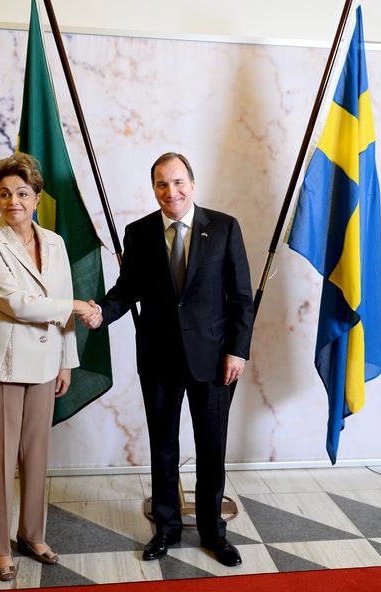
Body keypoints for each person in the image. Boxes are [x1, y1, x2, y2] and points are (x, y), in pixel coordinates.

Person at [79, 152, 254, 566]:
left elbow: (241, 298)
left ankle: (213, 532)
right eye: (161, 183)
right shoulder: (138, 232)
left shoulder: (225, 228)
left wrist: (237, 351)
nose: (170, 192)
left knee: (212, 448)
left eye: (177, 182)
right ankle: (166, 529)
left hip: (214, 361)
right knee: (163, 448)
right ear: (153, 188)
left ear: (192, 184)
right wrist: (101, 311)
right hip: (158, 359)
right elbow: (127, 290)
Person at [0, 152, 98, 581]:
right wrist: (76, 307)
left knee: (36, 455)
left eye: (21, 192)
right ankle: (1, 547)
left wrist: (66, 363)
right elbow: (15, 303)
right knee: (1, 461)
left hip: (44, 364)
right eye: (4, 194)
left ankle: (32, 535)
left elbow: (56, 297)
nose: (12, 201)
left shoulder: (55, 243)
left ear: (37, 197)